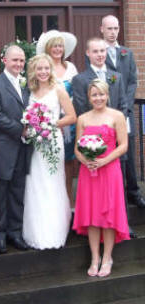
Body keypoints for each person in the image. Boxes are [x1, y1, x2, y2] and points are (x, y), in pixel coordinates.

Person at [73, 79, 130, 277]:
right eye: (94, 95)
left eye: (101, 94)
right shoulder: (83, 118)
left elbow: (123, 145)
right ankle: (94, 258)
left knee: (107, 215)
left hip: (109, 170)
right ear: (89, 98)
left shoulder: (117, 116)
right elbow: (77, 148)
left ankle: (107, 258)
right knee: (92, 216)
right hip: (88, 172)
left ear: (107, 95)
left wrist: (104, 160)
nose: (98, 98)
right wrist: (84, 160)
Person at [22, 53, 76, 249]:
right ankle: (35, 230)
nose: (43, 72)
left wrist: (50, 123)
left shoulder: (58, 90)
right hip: (35, 144)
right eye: (39, 68)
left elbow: (72, 117)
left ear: (50, 70)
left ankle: (55, 230)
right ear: (34, 71)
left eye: (46, 68)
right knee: (35, 183)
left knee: (53, 182)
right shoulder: (30, 91)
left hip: (53, 141)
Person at [0, 45, 32, 254]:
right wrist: (20, 130)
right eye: (15, 60)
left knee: (17, 193)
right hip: (0, 149)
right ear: (4, 60)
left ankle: (15, 232)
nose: (19, 64)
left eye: (22, 61)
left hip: (22, 149)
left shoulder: (26, 84)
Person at [100, 15, 145, 209]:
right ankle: (117, 194)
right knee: (111, 151)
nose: (113, 32)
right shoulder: (97, 53)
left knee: (129, 151)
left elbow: (132, 81)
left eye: (116, 28)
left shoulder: (127, 53)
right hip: (107, 111)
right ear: (101, 29)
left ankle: (134, 192)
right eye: (109, 28)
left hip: (125, 112)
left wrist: (125, 106)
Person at [36, 30, 78, 210]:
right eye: (54, 46)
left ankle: (69, 205)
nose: (57, 49)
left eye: (60, 45)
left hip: (69, 122)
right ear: (47, 48)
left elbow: (77, 93)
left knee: (68, 165)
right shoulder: (43, 68)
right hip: (48, 125)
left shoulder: (71, 68)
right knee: (50, 166)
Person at [72, 37, 127, 117]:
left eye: (102, 51)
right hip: (92, 126)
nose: (100, 55)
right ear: (88, 53)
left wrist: (116, 123)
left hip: (114, 126)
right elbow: (81, 109)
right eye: (95, 51)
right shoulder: (79, 80)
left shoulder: (117, 77)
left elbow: (123, 105)